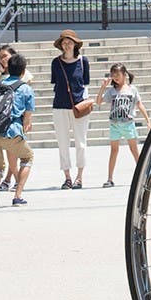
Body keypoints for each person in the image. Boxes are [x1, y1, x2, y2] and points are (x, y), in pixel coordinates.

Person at [0, 51, 35, 208]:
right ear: (23, 71)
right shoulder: (25, 89)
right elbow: (27, 120)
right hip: (11, 131)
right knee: (27, 157)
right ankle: (17, 196)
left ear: (8, 69)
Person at [96, 62, 150, 186]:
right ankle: (109, 179)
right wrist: (103, 87)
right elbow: (98, 102)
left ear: (124, 74)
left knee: (134, 150)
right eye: (113, 74)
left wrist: (148, 120)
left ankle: (143, 175)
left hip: (128, 124)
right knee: (114, 151)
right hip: (114, 124)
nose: (115, 77)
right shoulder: (111, 91)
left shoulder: (132, 89)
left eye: (117, 74)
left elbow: (139, 104)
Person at [50, 29, 91, 190]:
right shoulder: (55, 62)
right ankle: (67, 176)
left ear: (75, 44)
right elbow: (55, 82)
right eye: (64, 43)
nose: (66, 45)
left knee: (81, 142)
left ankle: (79, 177)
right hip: (60, 105)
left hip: (79, 106)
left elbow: (85, 83)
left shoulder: (83, 61)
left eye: (69, 42)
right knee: (63, 142)